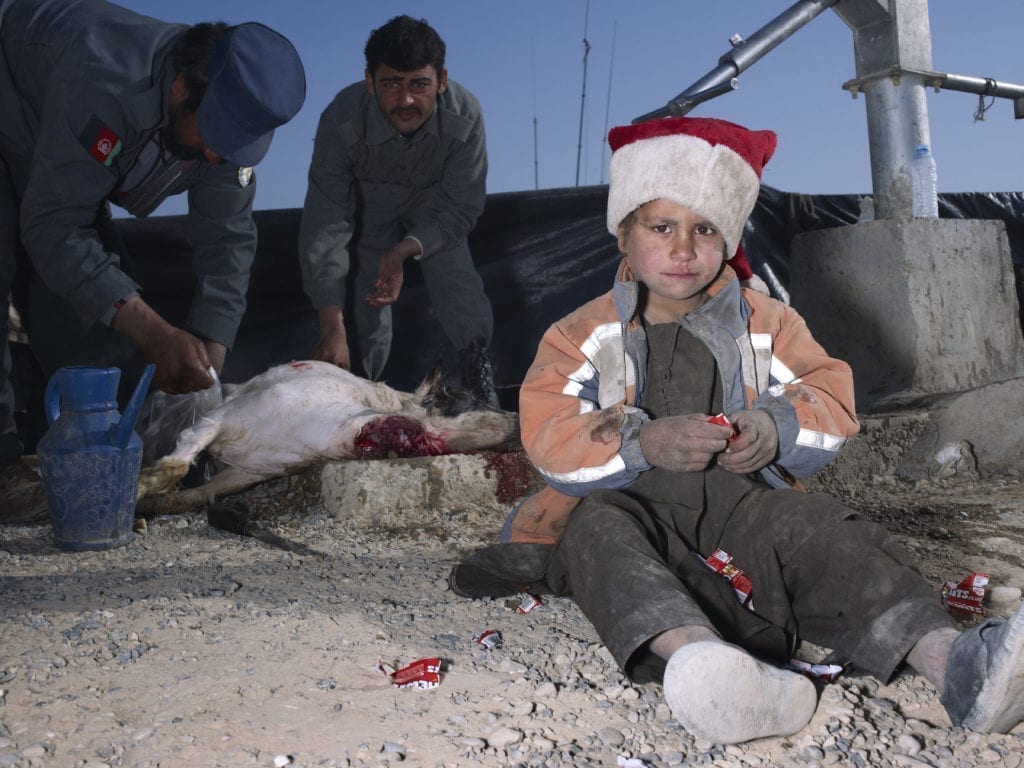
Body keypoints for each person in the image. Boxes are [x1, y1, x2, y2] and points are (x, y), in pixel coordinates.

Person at [450, 116, 1024, 744]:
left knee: (821, 529)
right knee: (594, 536)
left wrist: (776, 427)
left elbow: (829, 394)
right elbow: (549, 430)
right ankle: (705, 663)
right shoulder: (577, 335)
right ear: (623, 233)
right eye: (660, 226)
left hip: (743, 508)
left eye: (705, 229)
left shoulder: (769, 322)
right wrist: (642, 441)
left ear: (728, 240)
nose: (682, 249)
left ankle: (955, 663)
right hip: (623, 509)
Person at [0, 0, 306, 520]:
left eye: (231, 147)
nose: (215, 157)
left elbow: (228, 241)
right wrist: (156, 333)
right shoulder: (104, 81)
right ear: (180, 89)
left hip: (61, 159)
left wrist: (208, 362)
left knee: (92, 312)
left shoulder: (233, 125)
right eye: (211, 137)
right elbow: (53, 225)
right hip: (12, 97)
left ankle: (111, 449)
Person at [298, 14, 498, 407]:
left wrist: (404, 250)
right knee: (364, 300)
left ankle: (478, 378)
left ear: (441, 81)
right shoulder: (340, 119)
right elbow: (327, 223)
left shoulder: (466, 115)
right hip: (366, 207)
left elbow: (462, 204)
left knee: (455, 272)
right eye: (390, 83)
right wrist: (331, 325)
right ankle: (354, 394)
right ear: (370, 82)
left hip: (435, 206)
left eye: (419, 85)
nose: (405, 100)